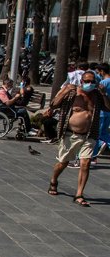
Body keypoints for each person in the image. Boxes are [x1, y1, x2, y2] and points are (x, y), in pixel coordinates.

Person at [46, 70, 110, 207]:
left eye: (93, 81)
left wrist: (104, 93)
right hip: (71, 134)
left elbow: (108, 108)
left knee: (85, 163)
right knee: (62, 162)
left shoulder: (97, 95)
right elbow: (53, 105)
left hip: (89, 134)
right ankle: (54, 180)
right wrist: (64, 91)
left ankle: (79, 194)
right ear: (81, 82)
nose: (90, 84)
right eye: (87, 81)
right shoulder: (72, 94)